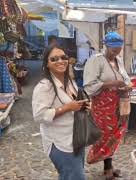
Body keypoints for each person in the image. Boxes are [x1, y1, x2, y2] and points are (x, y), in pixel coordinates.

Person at [32, 45, 86, 180]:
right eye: (54, 59)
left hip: (76, 138)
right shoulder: (44, 87)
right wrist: (67, 108)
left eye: (63, 57)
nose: (60, 61)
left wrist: (84, 106)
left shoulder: (70, 82)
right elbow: (39, 116)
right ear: (47, 64)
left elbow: (75, 104)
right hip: (59, 143)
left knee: (69, 175)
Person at [83, 32, 130, 179]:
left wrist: (127, 86)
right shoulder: (96, 60)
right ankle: (105, 166)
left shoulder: (119, 60)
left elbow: (125, 78)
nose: (116, 52)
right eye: (113, 49)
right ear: (106, 46)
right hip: (103, 105)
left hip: (119, 104)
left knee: (116, 134)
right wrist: (112, 84)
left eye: (119, 48)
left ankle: (109, 166)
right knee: (106, 135)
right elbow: (89, 85)